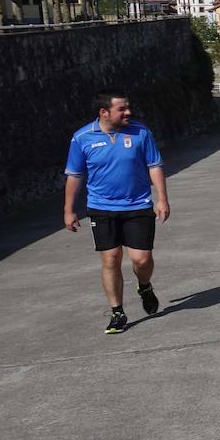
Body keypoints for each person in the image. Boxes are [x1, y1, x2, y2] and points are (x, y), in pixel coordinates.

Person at [63, 90, 170, 334]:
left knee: (141, 260)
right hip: (101, 208)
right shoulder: (82, 138)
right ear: (104, 112)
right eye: (122, 109)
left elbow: (154, 166)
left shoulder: (141, 132)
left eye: (128, 107)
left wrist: (162, 199)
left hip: (139, 205)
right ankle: (117, 312)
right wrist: (69, 210)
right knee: (110, 259)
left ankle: (144, 285)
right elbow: (74, 175)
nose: (128, 112)